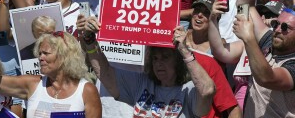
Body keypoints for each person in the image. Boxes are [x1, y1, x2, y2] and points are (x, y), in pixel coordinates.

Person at [83, 25, 216, 117]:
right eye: (155, 58)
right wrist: (89, 40)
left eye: (165, 57)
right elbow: (105, 73)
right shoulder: (142, 82)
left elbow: (207, 90)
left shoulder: (188, 90)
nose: (159, 63)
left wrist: (184, 51)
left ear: (177, 60)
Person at [0, 31, 102, 118]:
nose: (40, 57)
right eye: (40, 53)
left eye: (46, 53)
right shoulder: (33, 84)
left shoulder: (86, 90)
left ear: (65, 57)